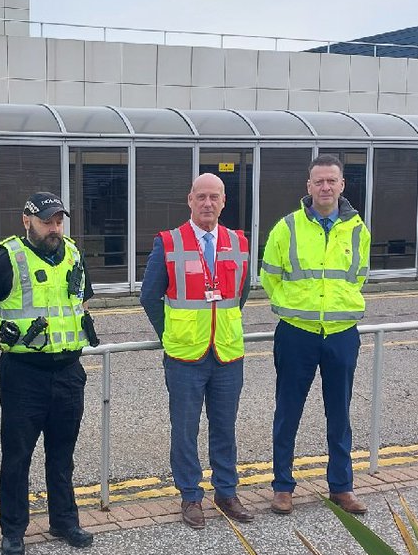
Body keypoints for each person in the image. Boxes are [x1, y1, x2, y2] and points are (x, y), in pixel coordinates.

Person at [0, 192, 98, 555]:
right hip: (24, 374)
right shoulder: (9, 258)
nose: (54, 228)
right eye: (46, 221)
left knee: (62, 454)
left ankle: (64, 520)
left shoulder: (73, 253)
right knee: (17, 456)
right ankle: (13, 531)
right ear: (27, 221)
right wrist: (6, 344)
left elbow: (81, 299)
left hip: (68, 371)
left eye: (58, 221)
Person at [140, 173, 254, 530]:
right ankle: (190, 495)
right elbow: (149, 297)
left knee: (225, 427)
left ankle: (226, 492)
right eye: (201, 197)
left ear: (224, 202)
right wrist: (171, 333)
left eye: (214, 197)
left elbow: (241, 294)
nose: (208, 203)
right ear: (190, 200)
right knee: (185, 429)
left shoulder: (239, 241)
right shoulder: (169, 242)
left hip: (226, 355)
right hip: (185, 356)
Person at [261, 154, 371, 516]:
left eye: (331, 181)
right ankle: (282, 487)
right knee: (288, 411)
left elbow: (358, 277)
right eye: (318, 181)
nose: (325, 187)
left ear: (342, 185)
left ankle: (342, 486)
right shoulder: (287, 228)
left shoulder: (357, 229)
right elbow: (270, 276)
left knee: (339, 413)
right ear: (308, 187)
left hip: (341, 333)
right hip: (297, 333)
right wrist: (290, 307)